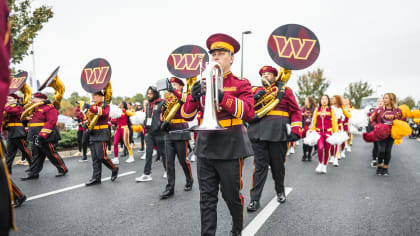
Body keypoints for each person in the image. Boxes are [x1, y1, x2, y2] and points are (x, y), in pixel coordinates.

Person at [181, 33, 254, 236]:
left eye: (221, 54)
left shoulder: (241, 83)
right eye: (213, 54)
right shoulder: (202, 81)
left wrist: (222, 96)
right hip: (205, 145)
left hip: (230, 145)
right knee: (206, 198)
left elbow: (248, 112)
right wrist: (193, 98)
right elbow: (186, 115)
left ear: (231, 58)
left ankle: (237, 230)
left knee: (231, 195)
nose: (215, 58)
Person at [246, 65, 301, 212]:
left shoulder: (285, 91)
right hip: (258, 133)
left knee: (278, 167)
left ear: (275, 76)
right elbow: (246, 109)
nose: (266, 76)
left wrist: (296, 129)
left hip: (278, 133)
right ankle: (254, 199)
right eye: (263, 74)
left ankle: (280, 191)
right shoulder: (255, 91)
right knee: (259, 168)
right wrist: (253, 99)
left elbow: (295, 111)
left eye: (269, 74)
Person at [158, 77, 193, 199]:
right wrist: (162, 110)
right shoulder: (168, 100)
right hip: (169, 132)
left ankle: (189, 179)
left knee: (183, 160)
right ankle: (170, 187)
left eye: (175, 84)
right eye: (171, 84)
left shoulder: (183, 97)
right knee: (169, 162)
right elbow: (162, 117)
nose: (172, 86)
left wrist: (175, 93)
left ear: (181, 87)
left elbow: (187, 106)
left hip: (181, 131)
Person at [21, 92, 68, 180]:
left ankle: (62, 169)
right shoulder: (34, 109)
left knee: (51, 154)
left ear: (42, 99)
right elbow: (31, 122)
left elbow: (51, 122)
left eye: (35, 98)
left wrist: (42, 135)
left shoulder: (49, 108)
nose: (33, 100)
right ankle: (34, 173)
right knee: (36, 155)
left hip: (46, 136)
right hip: (35, 135)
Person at [1, 1, 17, 232]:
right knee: (13, 155)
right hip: (16, 132)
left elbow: (14, 112)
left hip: (24, 132)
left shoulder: (47, 107)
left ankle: (18, 194)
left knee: (35, 148)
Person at [84, 91, 119, 186]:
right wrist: (85, 123)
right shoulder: (92, 106)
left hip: (101, 133)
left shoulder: (105, 105)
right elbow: (89, 118)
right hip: (93, 133)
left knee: (101, 156)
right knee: (95, 158)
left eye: (95, 95)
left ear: (101, 96)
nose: (93, 97)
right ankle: (96, 178)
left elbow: (103, 113)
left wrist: (90, 107)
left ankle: (114, 168)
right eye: (92, 95)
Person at [135, 86, 167, 182]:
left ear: (155, 93)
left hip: (160, 133)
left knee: (163, 154)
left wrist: (161, 126)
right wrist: (145, 124)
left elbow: (166, 117)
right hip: (149, 133)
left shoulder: (162, 103)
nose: (149, 95)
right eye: (148, 93)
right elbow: (147, 117)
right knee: (148, 153)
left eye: (151, 93)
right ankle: (146, 174)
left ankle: (167, 170)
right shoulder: (148, 105)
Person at [370, 93, 402, 176]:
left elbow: (402, 122)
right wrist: (376, 126)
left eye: (386, 98)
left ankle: (385, 168)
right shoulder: (379, 110)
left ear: (392, 99)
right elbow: (372, 120)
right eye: (384, 98)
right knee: (382, 150)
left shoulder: (398, 111)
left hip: (391, 133)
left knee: (388, 151)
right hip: (381, 133)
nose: (384, 100)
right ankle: (379, 166)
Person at [4, 94, 33, 173]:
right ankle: (8, 169)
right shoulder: (7, 107)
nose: (8, 100)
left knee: (24, 150)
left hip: (18, 131)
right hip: (10, 132)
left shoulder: (19, 107)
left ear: (15, 100)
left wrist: (5, 105)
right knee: (9, 153)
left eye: (10, 98)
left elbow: (11, 111)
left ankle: (33, 166)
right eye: (7, 98)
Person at [312, 95, 338, 174]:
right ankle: (320, 163)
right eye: (322, 99)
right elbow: (314, 121)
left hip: (328, 132)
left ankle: (324, 165)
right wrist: (312, 130)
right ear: (320, 100)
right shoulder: (317, 109)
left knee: (327, 149)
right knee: (320, 147)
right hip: (319, 132)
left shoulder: (331, 110)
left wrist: (336, 132)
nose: (324, 100)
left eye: (326, 99)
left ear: (328, 101)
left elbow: (334, 122)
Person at [368, 98, 383, 167]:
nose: (380, 102)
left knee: (382, 147)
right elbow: (371, 121)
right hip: (375, 131)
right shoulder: (374, 110)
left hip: (384, 132)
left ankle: (380, 159)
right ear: (377, 103)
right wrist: (370, 130)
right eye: (379, 101)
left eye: (382, 101)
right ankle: (374, 160)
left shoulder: (387, 111)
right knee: (376, 146)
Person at [301, 96, 316, 161]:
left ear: (309, 101)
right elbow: (300, 117)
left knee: (310, 142)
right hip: (305, 126)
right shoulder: (303, 108)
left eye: (306, 100)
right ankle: (304, 155)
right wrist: (301, 127)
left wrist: (313, 127)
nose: (305, 101)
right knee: (305, 142)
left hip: (311, 127)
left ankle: (309, 154)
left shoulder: (314, 109)